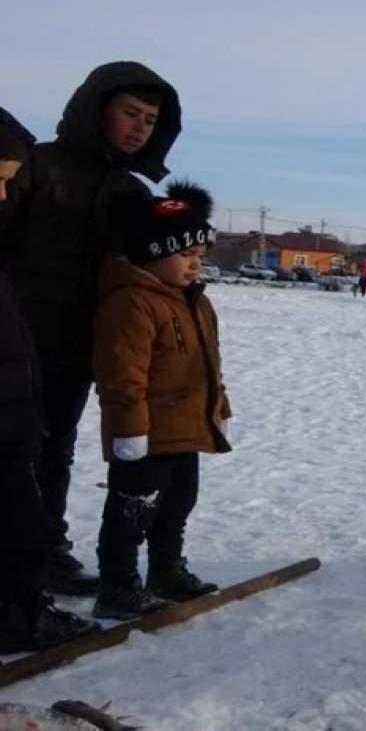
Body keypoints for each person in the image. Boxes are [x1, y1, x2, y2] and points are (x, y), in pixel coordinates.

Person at [0, 62, 182, 596]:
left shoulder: (131, 191)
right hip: (17, 340)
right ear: (96, 107)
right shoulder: (37, 166)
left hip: (80, 345)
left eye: (150, 120)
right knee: (13, 452)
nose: (140, 128)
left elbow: (151, 268)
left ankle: (46, 552)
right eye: (130, 113)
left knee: (55, 450)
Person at [90, 181, 231, 619]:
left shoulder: (193, 302)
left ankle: (166, 570)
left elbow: (210, 364)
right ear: (153, 253)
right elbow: (121, 378)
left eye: (199, 256)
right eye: (184, 255)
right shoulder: (131, 304)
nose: (194, 265)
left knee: (177, 504)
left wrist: (218, 410)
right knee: (133, 511)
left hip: (186, 428)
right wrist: (130, 430)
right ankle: (118, 585)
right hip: (146, 433)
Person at [0, 108, 102, 652]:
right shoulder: (47, 177)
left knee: (27, 518)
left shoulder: (120, 187)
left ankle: (24, 605)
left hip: (28, 389)